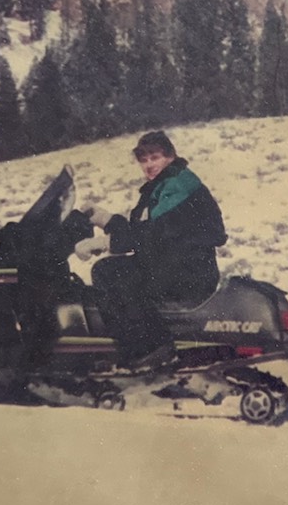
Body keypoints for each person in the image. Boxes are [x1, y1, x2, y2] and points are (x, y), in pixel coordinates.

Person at [76, 130, 227, 370]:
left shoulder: (178, 185)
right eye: (143, 160)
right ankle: (137, 345)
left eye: (155, 157)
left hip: (188, 271)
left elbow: (152, 233)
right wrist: (105, 219)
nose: (149, 165)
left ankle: (150, 349)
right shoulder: (162, 184)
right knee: (112, 269)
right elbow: (144, 229)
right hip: (175, 264)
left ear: (170, 156)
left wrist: (104, 242)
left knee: (109, 272)